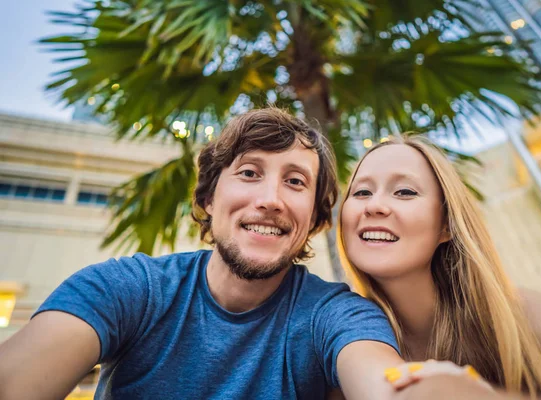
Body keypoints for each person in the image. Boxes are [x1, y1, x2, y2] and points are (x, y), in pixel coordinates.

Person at [0, 108, 415, 399]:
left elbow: (382, 381)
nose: (270, 199)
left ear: (316, 217)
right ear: (210, 199)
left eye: (295, 181)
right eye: (249, 173)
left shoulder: (338, 313)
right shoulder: (126, 289)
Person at [337, 134, 541, 399]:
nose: (374, 205)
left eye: (405, 192)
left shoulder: (529, 317)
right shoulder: (338, 349)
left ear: (446, 225)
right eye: (362, 192)